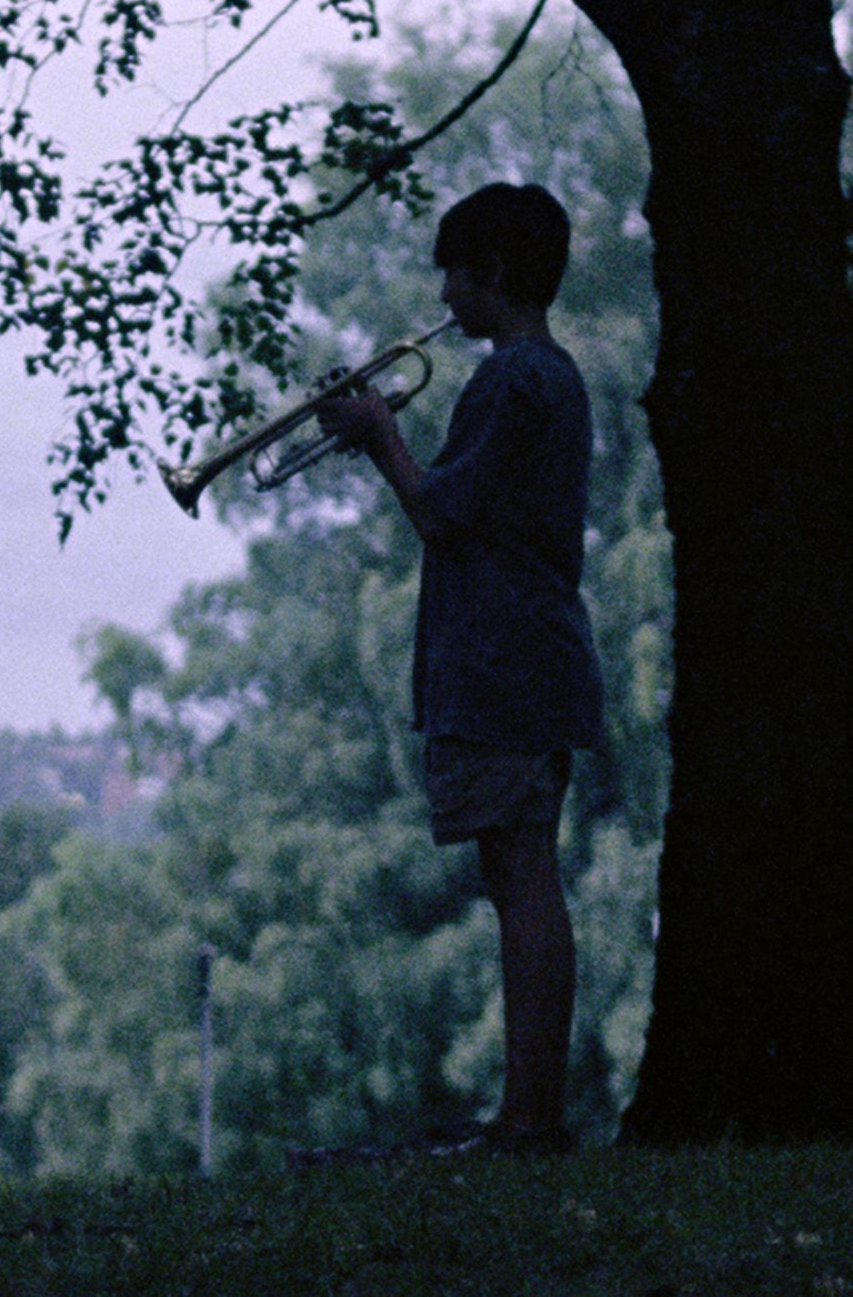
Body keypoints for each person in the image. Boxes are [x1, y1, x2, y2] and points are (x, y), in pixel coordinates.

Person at [314, 182, 606, 1155]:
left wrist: (380, 436)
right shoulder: (545, 378)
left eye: (455, 273)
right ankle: (526, 1114)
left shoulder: (514, 379)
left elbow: (441, 515)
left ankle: (529, 1119)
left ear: (494, 273)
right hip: (521, 659)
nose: (442, 295)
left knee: (522, 881)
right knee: (518, 875)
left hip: (504, 664)